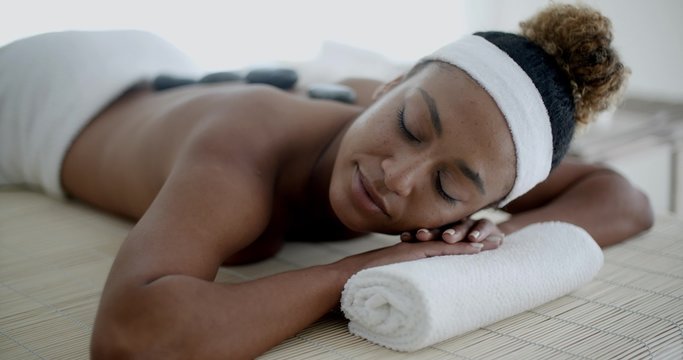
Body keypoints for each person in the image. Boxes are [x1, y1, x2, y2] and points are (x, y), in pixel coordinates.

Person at [0, 4, 653, 359]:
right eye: (406, 122)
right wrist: (378, 265)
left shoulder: (470, 143)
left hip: (160, 72)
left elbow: (622, 197)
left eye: (451, 189)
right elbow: (132, 336)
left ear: (487, 202)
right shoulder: (241, 152)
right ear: (390, 86)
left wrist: (476, 245)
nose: (398, 175)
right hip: (41, 94)